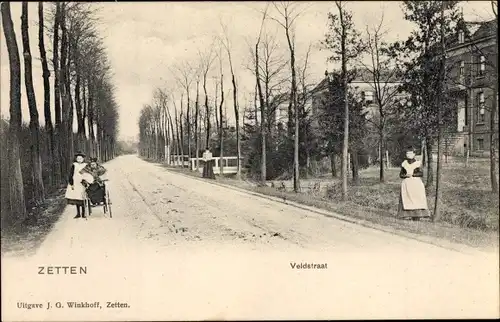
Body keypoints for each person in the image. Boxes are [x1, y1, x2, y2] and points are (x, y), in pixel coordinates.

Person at [397, 146, 430, 221]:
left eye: (410, 153)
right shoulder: (404, 163)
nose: (408, 155)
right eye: (407, 153)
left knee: (417, 198)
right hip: (407, 183)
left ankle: (417, 216)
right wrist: (405, 175)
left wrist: (413, 174)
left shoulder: (418, 163)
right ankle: (406, 215)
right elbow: (401, 175)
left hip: (416, 183)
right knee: (406, 198)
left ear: (414, 154)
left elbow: (421, 174)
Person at [65, 152, 93, 219]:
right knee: (77, 198)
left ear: (83, 159)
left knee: (83, 197)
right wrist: (71, 183)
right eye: (78, 158)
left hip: (83, 183)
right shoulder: (74, 165)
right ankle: (78, 213)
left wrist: (88, 181)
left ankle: (83, 214)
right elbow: (71, 174)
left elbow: (88, 173)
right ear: (76, 159)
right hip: (76, 183)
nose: (79, 160)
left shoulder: (85, 165)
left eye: (81, 158)